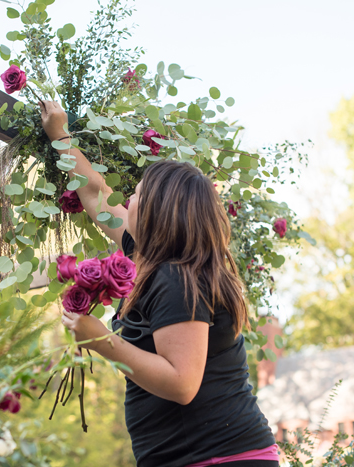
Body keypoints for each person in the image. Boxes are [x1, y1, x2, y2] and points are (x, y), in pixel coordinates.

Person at [39, 100, 278, 467]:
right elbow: (94, 193)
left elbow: (182, 384)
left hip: (218, 458)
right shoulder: (150, 260)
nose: (127, 198)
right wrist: (60, 134)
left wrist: (101, 339)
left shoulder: (176, 277)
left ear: (156, 211)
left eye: (136, 194)